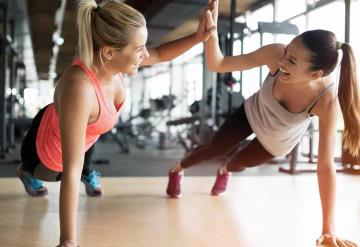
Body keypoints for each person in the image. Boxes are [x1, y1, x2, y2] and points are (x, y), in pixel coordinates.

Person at [16, 0, 215, 246]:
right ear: (109, 52)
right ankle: (25, 172)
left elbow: (161, 53)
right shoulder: (80, 88)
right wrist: (68, 241)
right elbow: (71, 171)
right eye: (139, 48)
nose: (145, 54)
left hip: (78, 126)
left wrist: (198, 37)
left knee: (86, 144)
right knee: (63, 170)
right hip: (42, 154)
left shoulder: (113, 64)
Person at [166, 1, 359, 246]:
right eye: (287, 52)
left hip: (276, 141)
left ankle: (225, 171)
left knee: (237, 164)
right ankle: (177, 168)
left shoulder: (326, 101)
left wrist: (328, 229)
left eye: (292, 62)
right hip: (251, 113)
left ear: (315, 75)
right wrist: (210, 33)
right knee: (214, 148)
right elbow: (218, 64)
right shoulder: (276, 53)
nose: (282, 62)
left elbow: (325, 166)